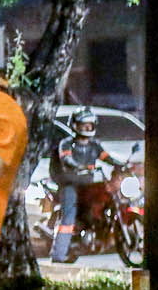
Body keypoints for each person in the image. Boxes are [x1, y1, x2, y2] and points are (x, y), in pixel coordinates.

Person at [50, 110, 124, 263]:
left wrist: (121, 164)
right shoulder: (67, 143)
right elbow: (67, 159)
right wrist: (79, 166)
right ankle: (58, 255)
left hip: (87, 184)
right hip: (70, 184)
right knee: (69, 216)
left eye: (89, 125)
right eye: (83, 125)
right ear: (75, 125)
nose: (87, 128)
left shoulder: (94, 145)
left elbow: (107, 157)